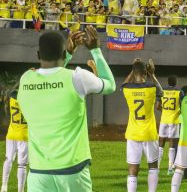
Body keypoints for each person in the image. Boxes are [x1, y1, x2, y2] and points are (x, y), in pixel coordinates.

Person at [17, 26, 116, 191]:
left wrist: (67, 54)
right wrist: (96, 50)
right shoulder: (77, 77)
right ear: (63, 54)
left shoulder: (26, 79)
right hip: (73, 170)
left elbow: (51, 76)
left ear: (38, 55)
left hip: (38, 173)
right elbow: (110, 85)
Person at [122, 58, 162, 192]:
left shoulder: (127, 89)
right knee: (153, 166)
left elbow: (124, 83)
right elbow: (161, 91)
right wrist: (153, 74)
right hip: (149, 133)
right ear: (145, 73)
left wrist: (132, 69)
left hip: (133, 134)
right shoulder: (151, 88)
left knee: (133, 169)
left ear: (134, 73)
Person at [1, 87, 28, 192]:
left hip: (11, 133)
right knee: (22, 165)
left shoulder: (12, 98)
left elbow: (11, 93)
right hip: (24, 135)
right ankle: (20, 190)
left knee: (8, 159)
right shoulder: (29, 101)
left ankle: (4, 186)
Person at [157, 75, 184, 175]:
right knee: (172, 146)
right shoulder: (179, 92)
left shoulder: (162, 91)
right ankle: (170, 168)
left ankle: (157, 168)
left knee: (160, 145)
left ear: (168, 82)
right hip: (174, 120)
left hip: (164, 120)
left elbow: (157, 107)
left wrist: (165, 111)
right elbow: (183, 107)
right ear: (176, 82)